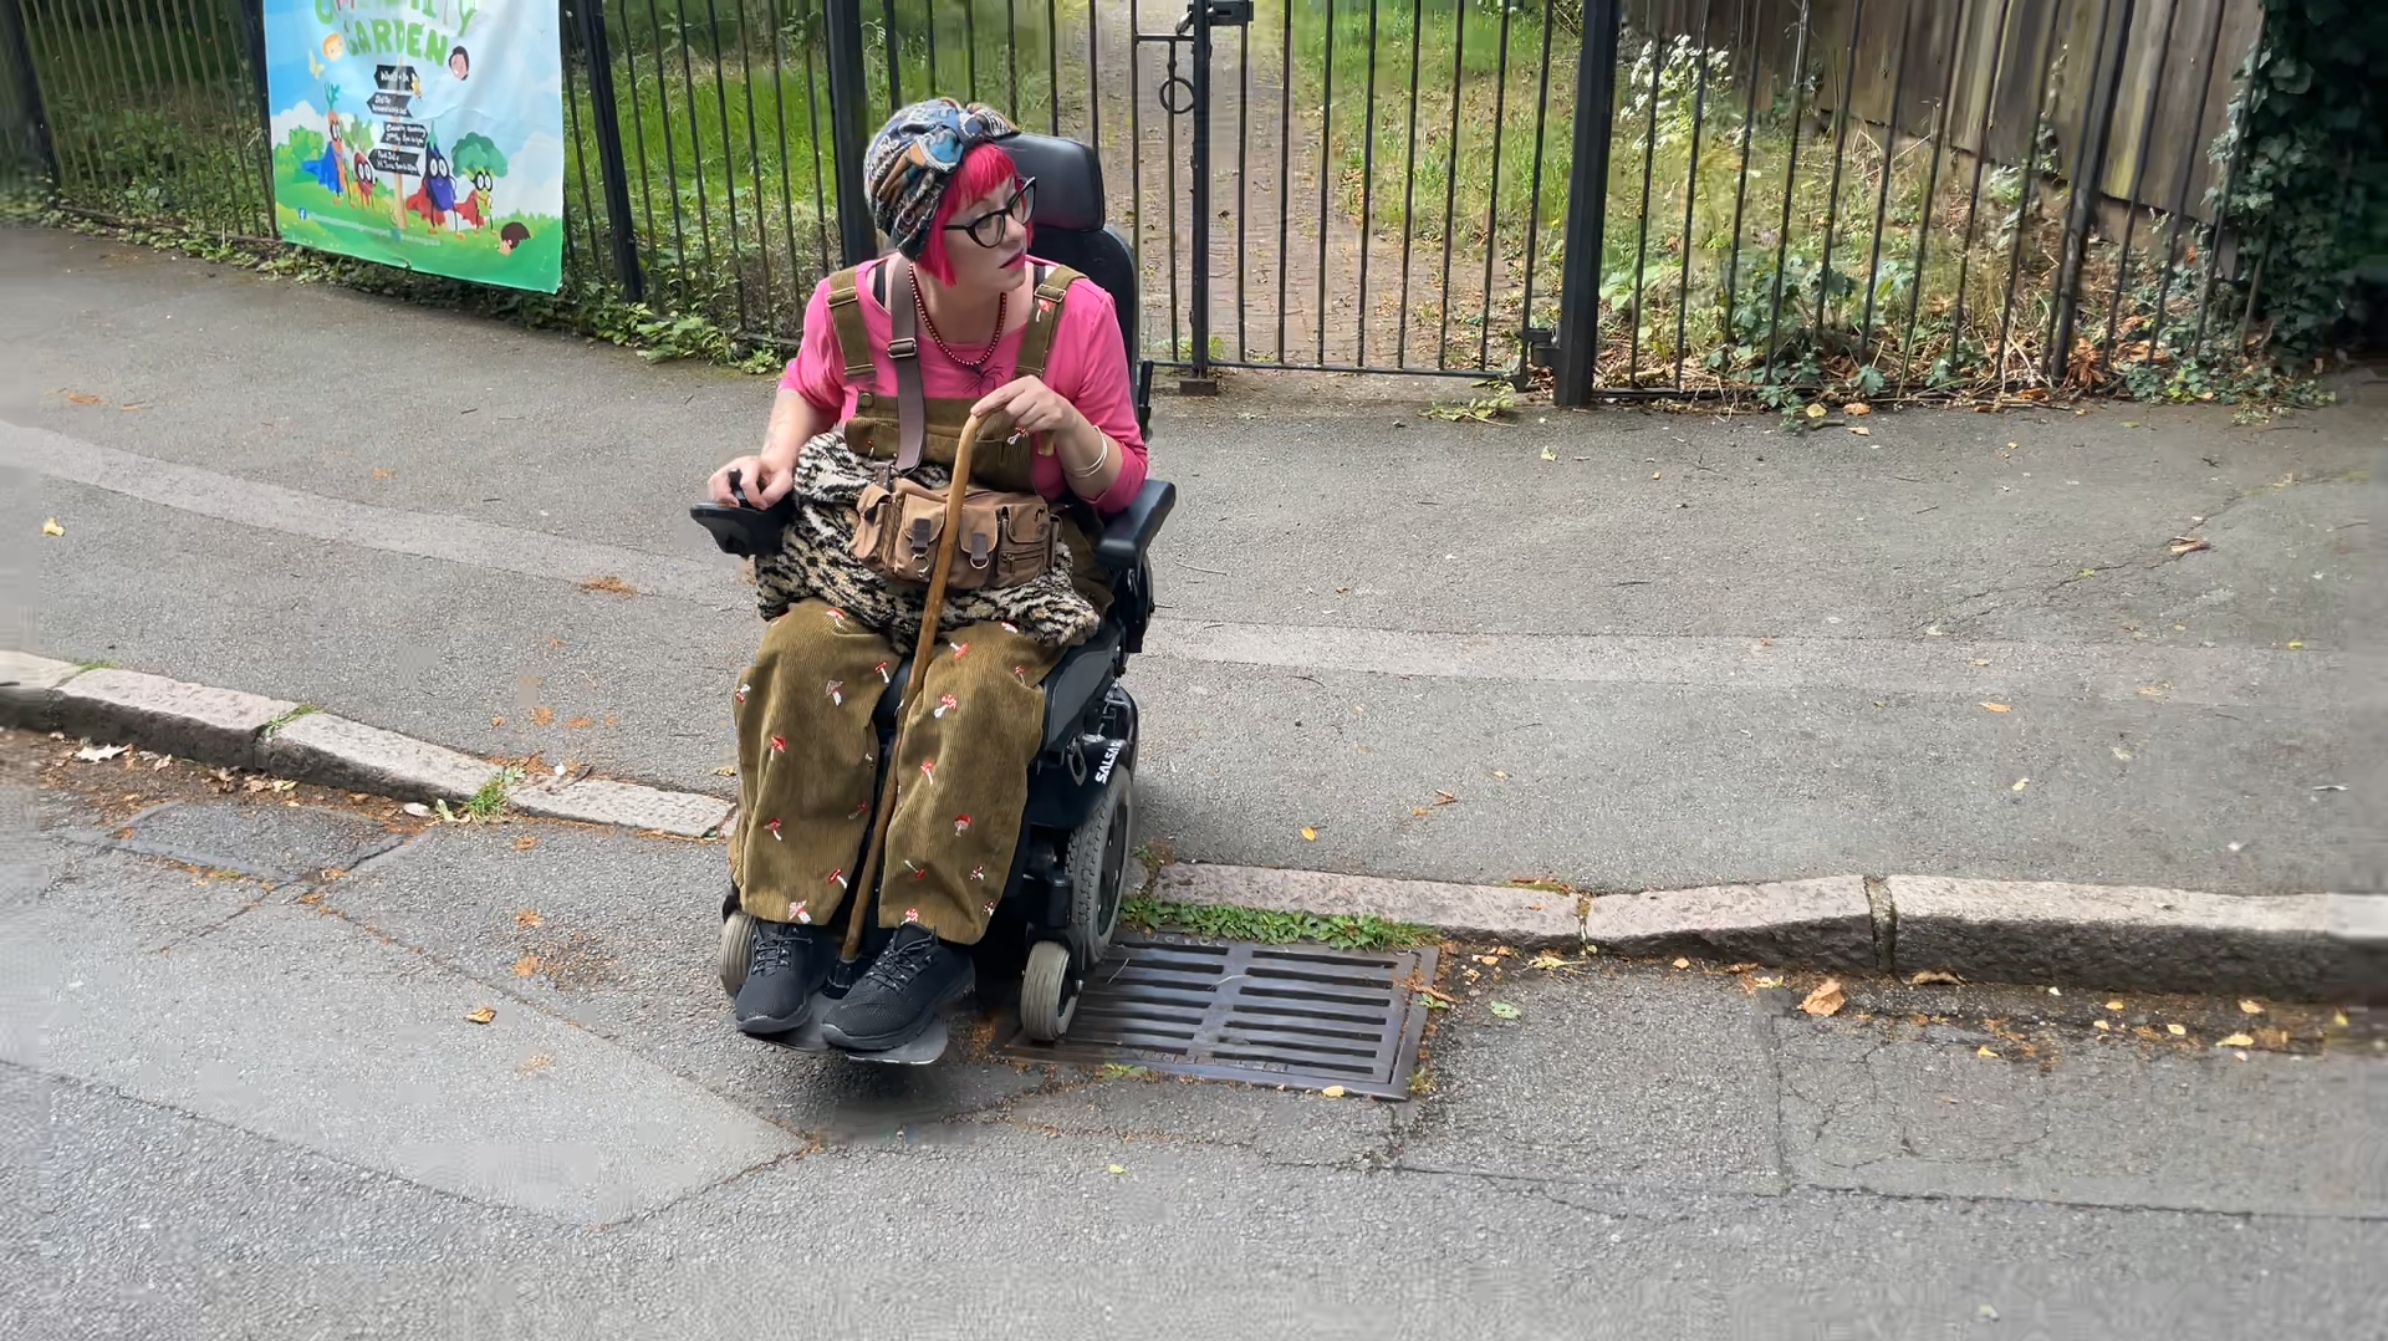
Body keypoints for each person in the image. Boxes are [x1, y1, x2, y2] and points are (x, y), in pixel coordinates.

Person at [705, 99, 1148, 1051]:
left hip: (1025, 572)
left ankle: (928, 937)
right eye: (988, 220)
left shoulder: (1079, 314)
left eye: (1021, 204)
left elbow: (1124, 482)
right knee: (797, 651)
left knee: (975, 686)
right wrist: (775, 458)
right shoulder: (851, 305)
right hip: (882, 561)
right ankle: (787, 917)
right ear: (920, 238)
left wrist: (1068, 425)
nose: (1020, 230)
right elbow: (809, 386)